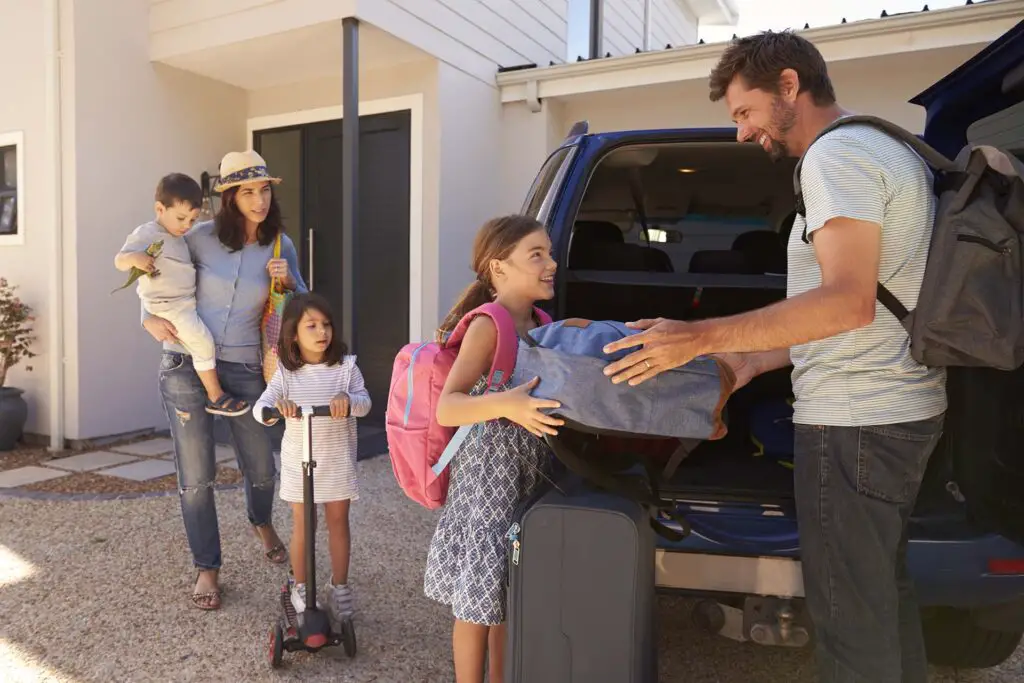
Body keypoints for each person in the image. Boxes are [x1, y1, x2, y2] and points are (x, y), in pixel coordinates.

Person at [601, 31, 946, 683]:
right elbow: (837, 315)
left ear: (789, 86)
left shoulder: (834, 158)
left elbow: (848, 302)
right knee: (880, 599)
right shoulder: (883, 147)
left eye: (743, 112)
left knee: (849, 626)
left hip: (856, 422)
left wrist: (698, 337)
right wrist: (742, 367)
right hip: (895, 413)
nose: (740, 133)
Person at [142, 151, 308, 610]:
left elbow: (307, 309)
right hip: (184, 364)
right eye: (248, 191)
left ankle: (261, 521)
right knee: (196, 476)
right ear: (229, 197)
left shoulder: (281, 245)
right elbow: (155, 279)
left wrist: (291, 281)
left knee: (261, 466)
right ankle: (208, 568)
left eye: (265, 189)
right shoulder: (195, 239)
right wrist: (145, 317)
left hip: (248, 368)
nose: (259, 199)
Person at [423, 215, 564, 683]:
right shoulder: (490, 324)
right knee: (477, 597)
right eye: (536, 255)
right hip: (488, 478)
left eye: (549, 252)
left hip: (528, 473)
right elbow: (448, 407)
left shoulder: (544, 323)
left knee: (507, 590)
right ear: (498, 268)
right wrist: (511, 405)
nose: (552, 263)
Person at [253, 292, 370, 622]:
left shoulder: (346, 369)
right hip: (298, 462)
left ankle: (340, 586)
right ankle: (301, 586)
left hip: (335, 461)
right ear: (293, 333)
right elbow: (261, 407)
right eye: (312, 326)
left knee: (338, 523)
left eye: (327, 325)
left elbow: (365, 403)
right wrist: (276, 410)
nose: (322, 332)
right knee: (304, 525)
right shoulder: (287, 374)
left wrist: (347, 400)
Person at [116, 173, 249, 417]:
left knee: (199, 342)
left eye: (192, 219)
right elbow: (120, 260)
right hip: (169, 307)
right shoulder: (147, 233)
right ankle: (216, 395)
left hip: (184, 303)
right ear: (159, 208)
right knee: (202, 342)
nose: (186, 225)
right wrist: (136, 258)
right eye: (180, 218)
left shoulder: (181, 236)